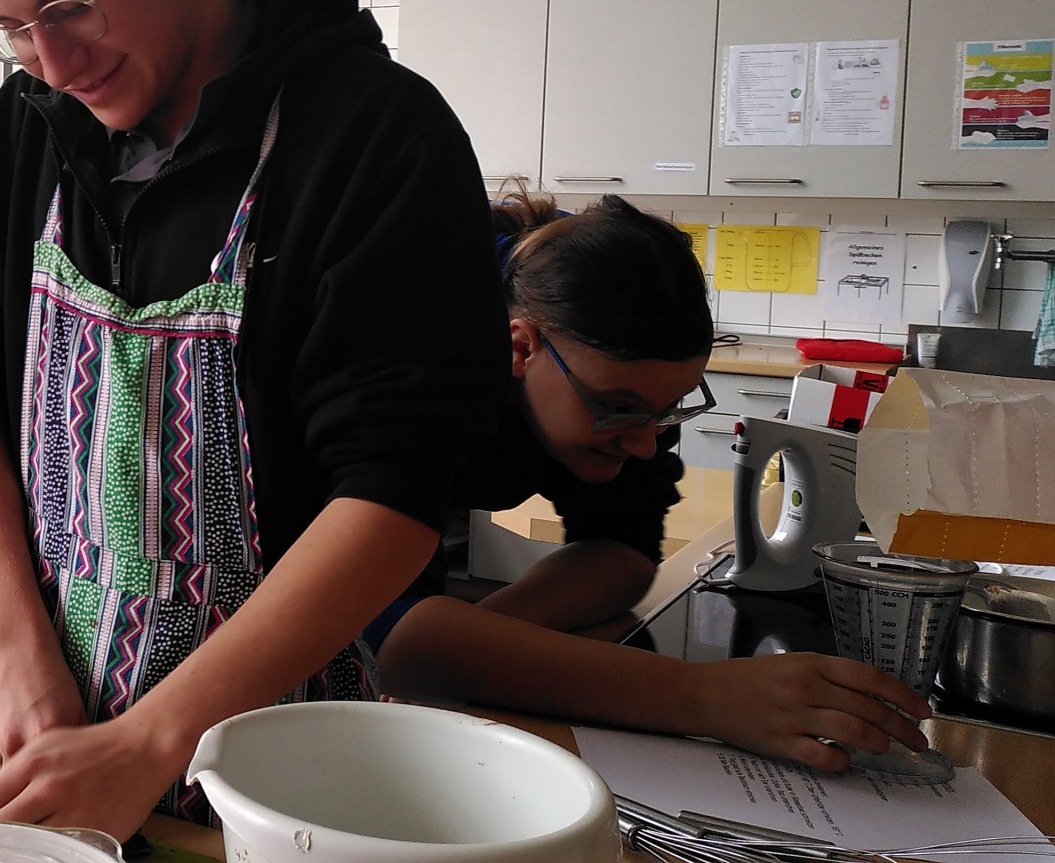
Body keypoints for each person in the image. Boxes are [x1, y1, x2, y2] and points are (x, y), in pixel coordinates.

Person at [0, 0, 508, 836]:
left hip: (264, 762)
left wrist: (150, 740)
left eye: (71, 5)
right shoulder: (33, 127)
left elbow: (393, 500)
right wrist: (14, 643)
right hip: (20, 725)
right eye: (12, 30)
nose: (53, 62)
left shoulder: (376, 140)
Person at [371, 191, 932, 770]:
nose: (644, 443)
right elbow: (380, 627)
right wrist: (703, 697)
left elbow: (624, 551)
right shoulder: (412, 370)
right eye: (618, 408)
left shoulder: (618, 362)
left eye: (667, 409)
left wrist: (479, 638)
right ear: (521, 348)